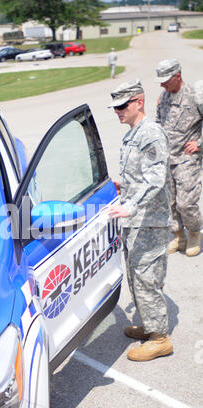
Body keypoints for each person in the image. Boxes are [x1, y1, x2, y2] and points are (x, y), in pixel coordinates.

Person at [107, 79, 173, 361]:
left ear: (139, 102)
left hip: (149, 221)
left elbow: (156, 179)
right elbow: (142, 176)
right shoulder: (133, 133)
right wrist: (125, 186)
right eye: (115, 107)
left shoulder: (152, 134)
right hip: (136, 220)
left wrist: (131, 205)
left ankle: (161, 338)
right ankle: (150, 325)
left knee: (147, 278)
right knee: (136, 276)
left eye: (122, 106)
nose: (117, 111)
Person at [155, 58, 203, 256]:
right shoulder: (163, 97)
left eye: (166, 80)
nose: (162, 84)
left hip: (187, 157)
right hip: (167, 157)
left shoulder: (195, 96)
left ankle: (194, 232)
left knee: (186, 202)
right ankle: (178, 235)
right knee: (170, 201)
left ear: (178, 76)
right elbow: (158, 120)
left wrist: (199, 143)